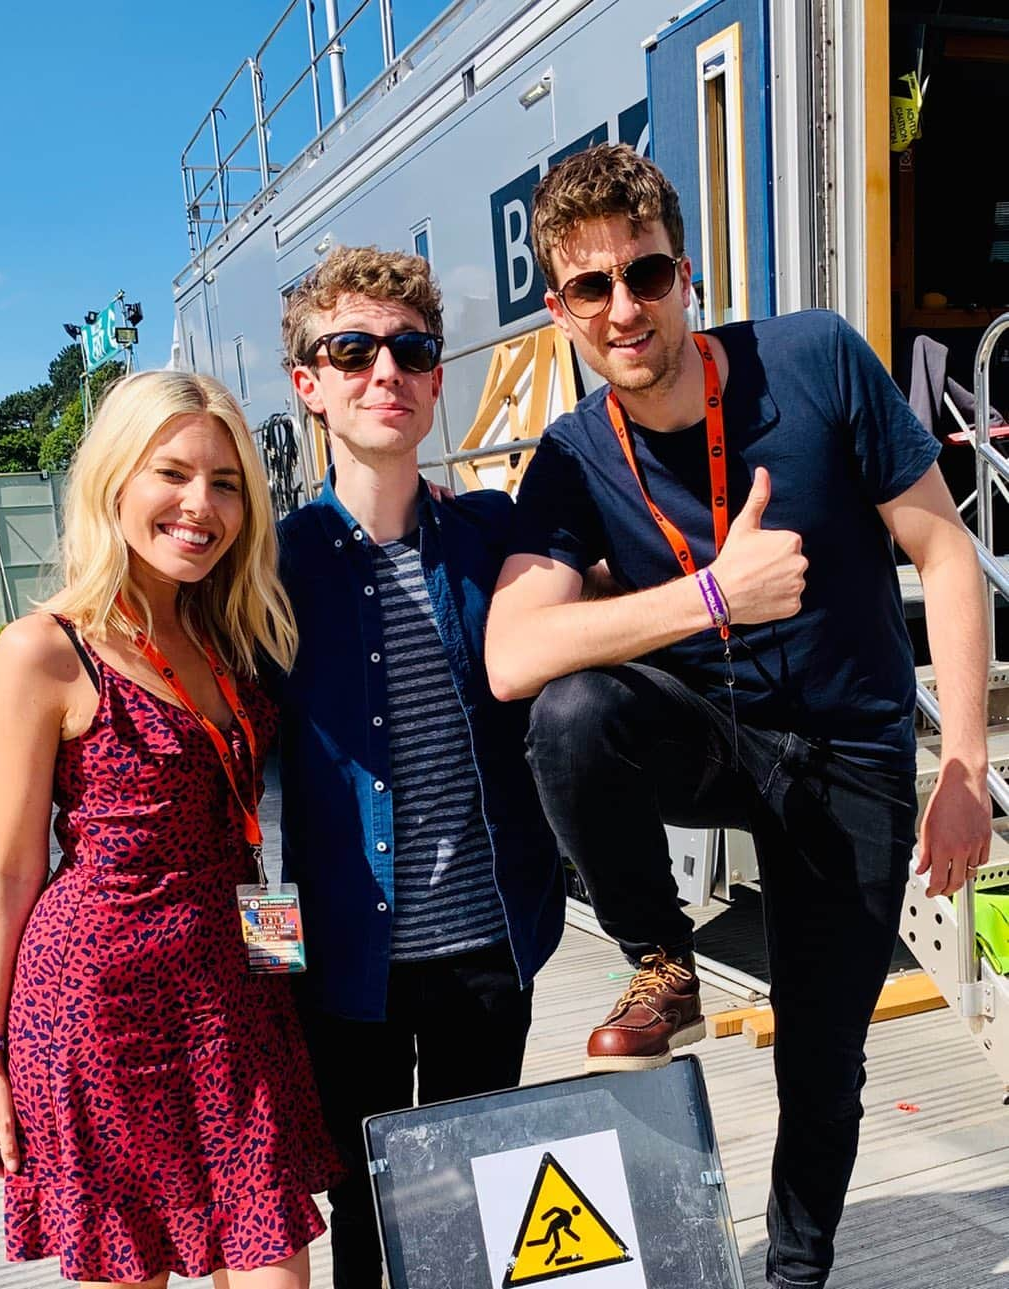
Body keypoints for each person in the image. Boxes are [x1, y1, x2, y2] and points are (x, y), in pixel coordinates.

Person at [484, 143, 992, 1288]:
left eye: (646, 274)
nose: (625, 307)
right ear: (559, 309)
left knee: (821, 1059)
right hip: (704, 740)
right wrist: (713, 592)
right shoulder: (569, 457)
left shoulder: (812, 355)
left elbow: (944, 548)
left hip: (850, 751)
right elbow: (515, 654)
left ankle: (793, 1273)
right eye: (591, 287)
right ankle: (659, 955)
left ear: (686, 273)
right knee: (571, 714)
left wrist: (959, 764)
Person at [0, 371, 342, 1288]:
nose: (199, 506)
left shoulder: (227, 630)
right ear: (115, 481)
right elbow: (9, 869)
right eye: (171, 474)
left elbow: (248, 829)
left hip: (236, 1002)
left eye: (225, 483)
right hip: (104, 1015)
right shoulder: (45, 649)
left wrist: (279, 983)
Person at [275, 246, 565, 1289]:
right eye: (349, 349)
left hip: (491, 947)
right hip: (340, 969)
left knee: (475, 1218)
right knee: (363, 1213)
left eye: (410, 348)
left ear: (440, 378)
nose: (383, 370)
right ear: (308, 384)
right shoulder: (267, 566)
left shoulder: (495, 537)